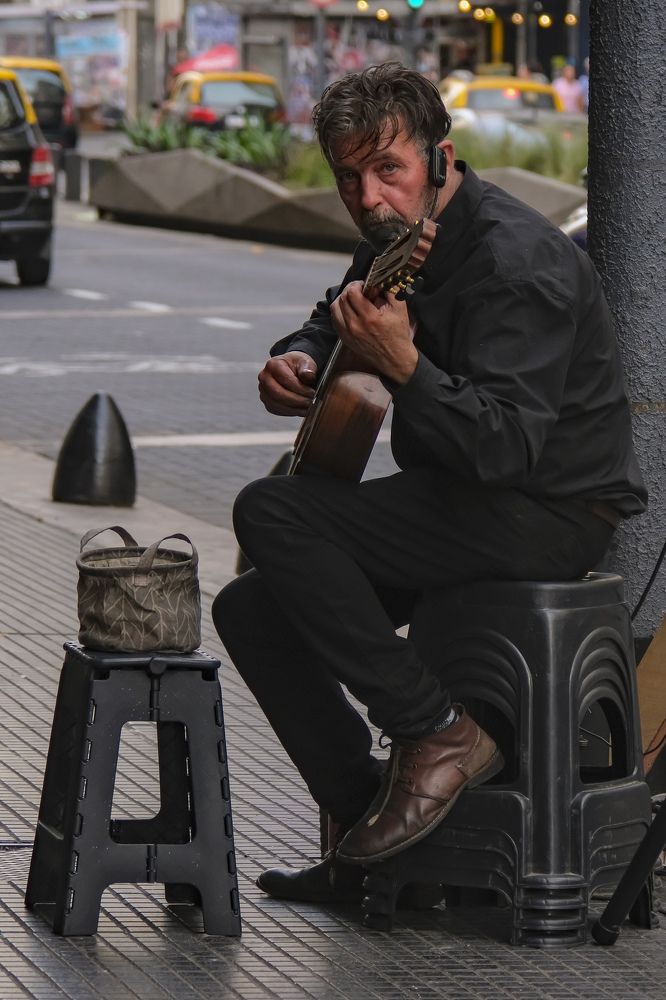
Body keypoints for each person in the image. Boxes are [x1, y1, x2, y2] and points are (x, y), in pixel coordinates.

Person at [212, 63, 646, 905]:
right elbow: (339, 304)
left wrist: (405, 366)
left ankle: (436, 733)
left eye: (388, 170)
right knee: (252, 610)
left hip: (545, 507)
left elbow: (508, 450)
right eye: (349, 176)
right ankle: (368, 840)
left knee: (271, 511)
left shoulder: (518, 264)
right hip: (457, 493)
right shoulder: (397, 234)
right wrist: (303, 354)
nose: (368, 196)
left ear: (440, 160)